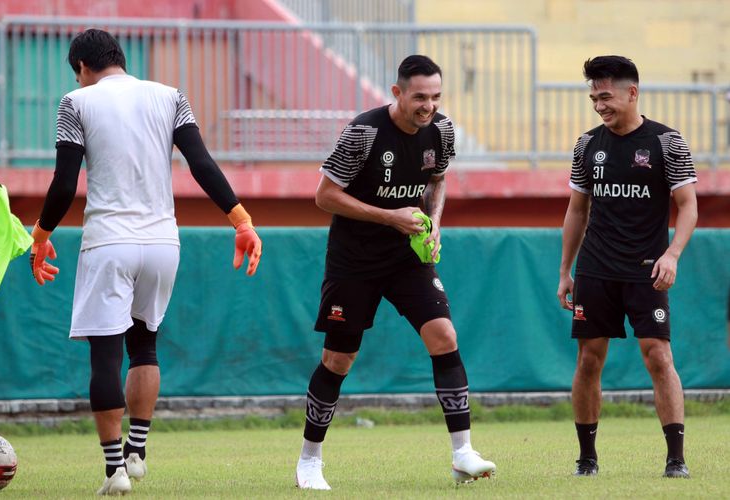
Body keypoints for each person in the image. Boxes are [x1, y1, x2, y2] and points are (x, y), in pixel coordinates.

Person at [29, 29, 262, 496]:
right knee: (145, 345)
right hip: (162, 243)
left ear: (81, 67)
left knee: (105, 355)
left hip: (109, 242)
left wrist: (41, 234)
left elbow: (63, 184)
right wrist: (241, 220)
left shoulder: (76, 102)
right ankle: (138, 450)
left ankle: (115, 471)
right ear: (120, 57)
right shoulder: (170, 96)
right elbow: (201, 163)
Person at [294, 55, 496, 490]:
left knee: (444, 335)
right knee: (338, 358)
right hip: (354, 259)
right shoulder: (363, 133)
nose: (429, 106)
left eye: (436, 97)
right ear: (397, 92)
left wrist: (434, 223)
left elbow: (437, 180)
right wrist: (390, 216)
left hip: (408, 256)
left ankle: (463, 453)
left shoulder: (441, 131)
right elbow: (324, 196)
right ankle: (309, 460)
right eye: (420, 96)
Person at [557, 55, 698, 479]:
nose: (599, 105)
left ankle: (676, 458)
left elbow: (689, 204)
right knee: (588, 360)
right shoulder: (587, 145)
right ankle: (587, 458)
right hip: (596, 269)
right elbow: (577, 210)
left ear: (631, 92)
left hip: (646, 269)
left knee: (658, 355)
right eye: (593, 98)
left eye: (605, 96)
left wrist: (672, 254)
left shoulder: (667, 143)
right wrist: (566, 270)